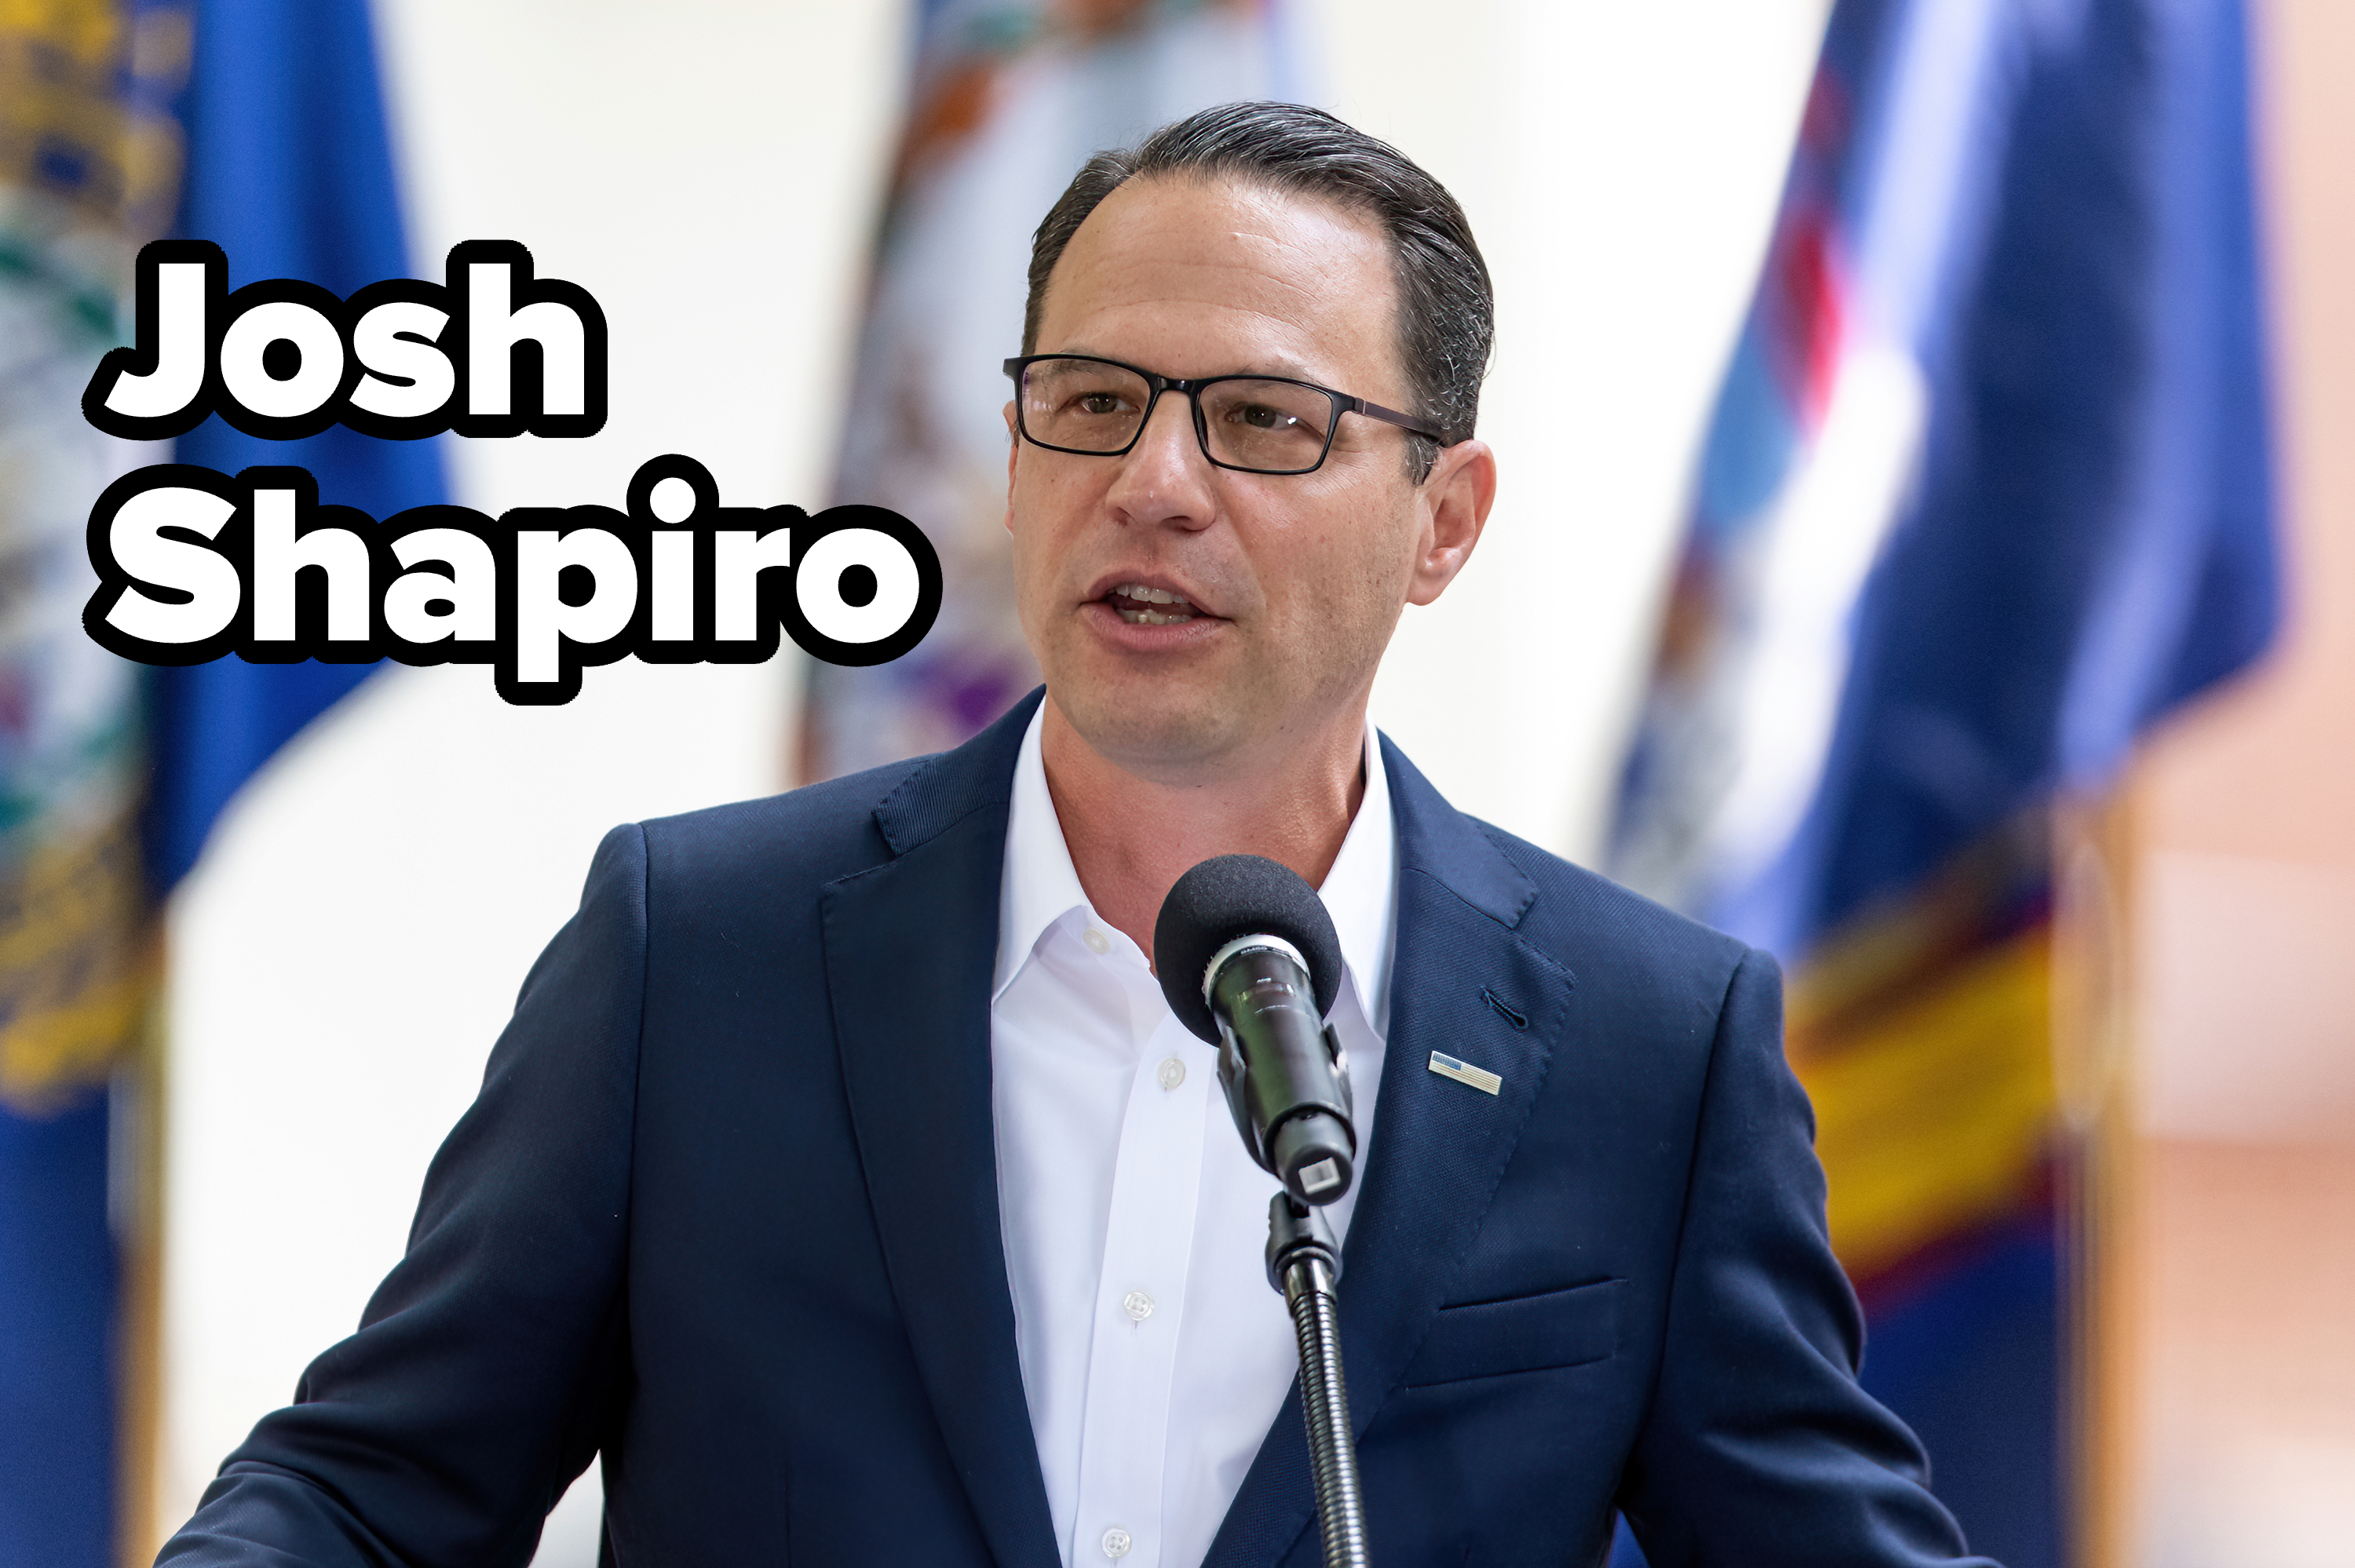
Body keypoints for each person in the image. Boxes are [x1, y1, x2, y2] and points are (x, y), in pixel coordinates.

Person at [159, 103, 1995, 1568]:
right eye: (1093, 403)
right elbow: (366, 1498)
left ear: (1444, 520)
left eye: (1265, 420)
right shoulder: (696, 954)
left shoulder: (1645, 1049)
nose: (1155, 483)